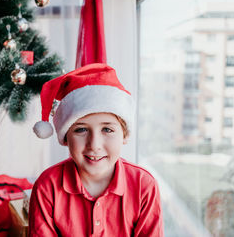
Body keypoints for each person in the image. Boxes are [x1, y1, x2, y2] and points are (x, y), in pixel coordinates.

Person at [29, 63, 164, 236]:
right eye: (81, 130)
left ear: (124, 135)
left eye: (107, 129)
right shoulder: (47, 186)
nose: (94, 144)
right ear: (65, 137)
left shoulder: (144, 186)